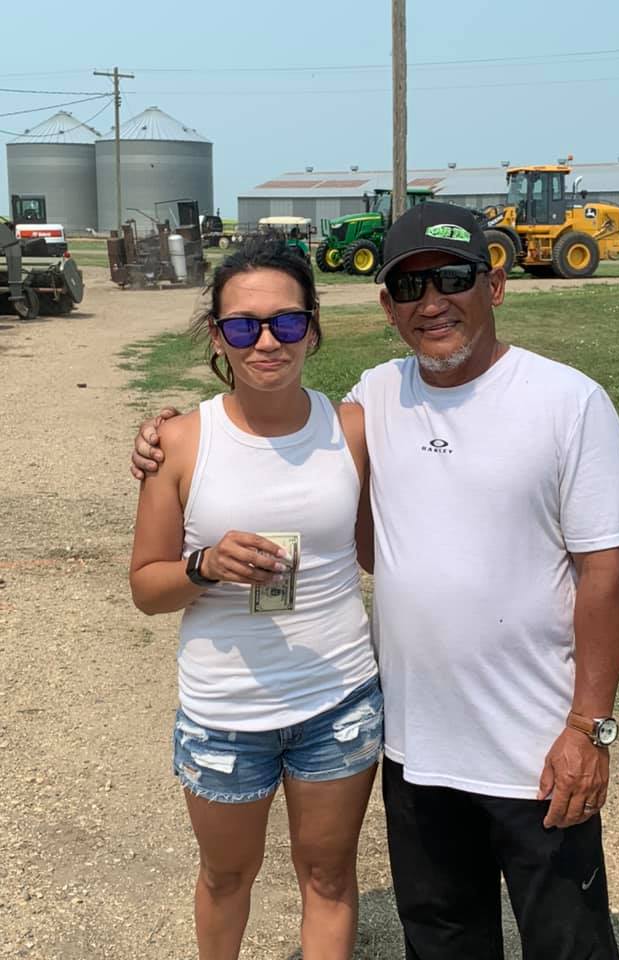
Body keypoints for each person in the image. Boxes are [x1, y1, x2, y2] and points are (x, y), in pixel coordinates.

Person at [132, 202, 619, 960]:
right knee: (441, 936)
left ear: (495, 285)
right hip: (415, 745)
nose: (431, 302)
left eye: (453, 278)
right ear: (387, 306)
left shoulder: (560, 401)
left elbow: (605, 572)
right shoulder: (377, 398)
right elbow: (325, 511)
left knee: (565, 942)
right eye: (408, 287)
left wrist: (590, 727)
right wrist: (164, 446)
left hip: (525, 744)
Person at [129, 234, 382, 960]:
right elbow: (146, 587)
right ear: (218, 336)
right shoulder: (182, 443)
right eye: (243, 327)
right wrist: (205, 565)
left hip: (337, 702)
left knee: (328, 877)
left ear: (313, 328)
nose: (267, 342)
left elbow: (378, 551)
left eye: (286, 322)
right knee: (226, 877)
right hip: (225, 716)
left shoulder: (354, 429)